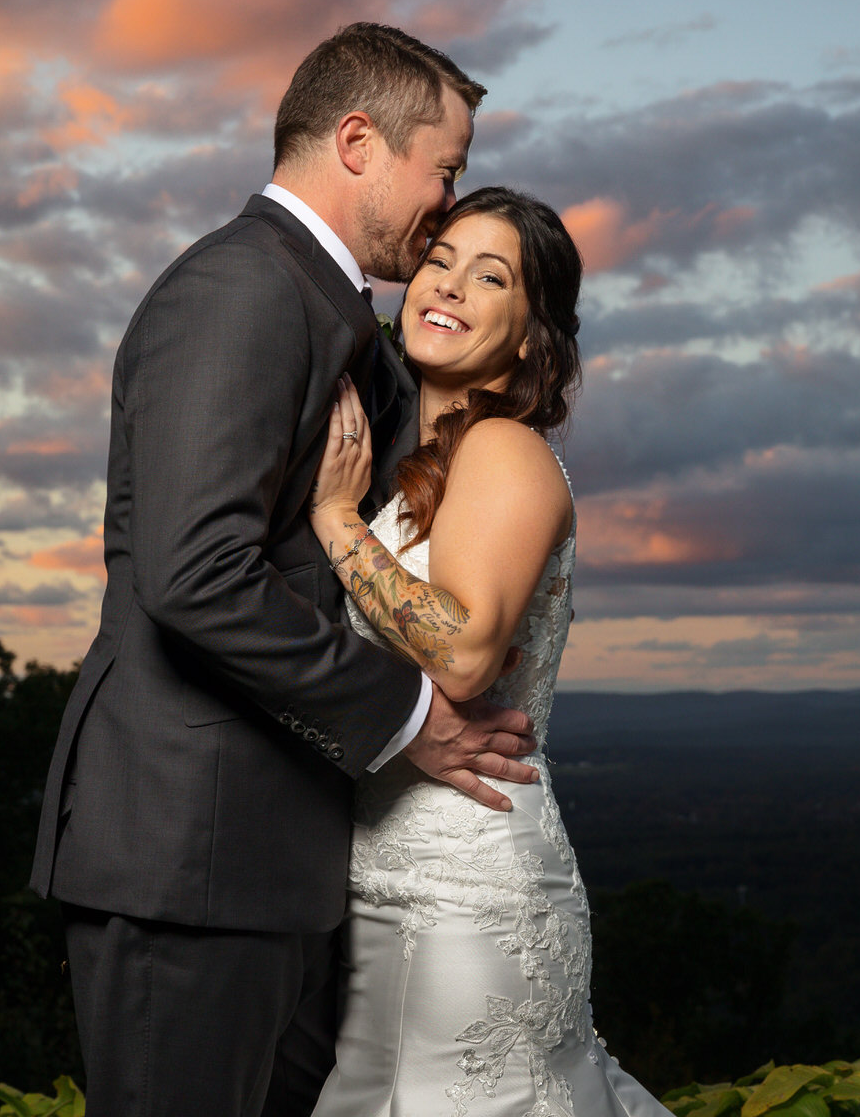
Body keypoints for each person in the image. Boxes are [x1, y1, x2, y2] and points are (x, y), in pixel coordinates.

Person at [28, 24, 542, 1117]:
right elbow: (194, 572)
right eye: (442, 169)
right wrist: (412, 717)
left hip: (269, 858)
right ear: (359, 141)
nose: (447, 201)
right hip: (189, 856)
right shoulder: (241, 292)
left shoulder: (333, 314)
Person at [305, 186, 671, 1117]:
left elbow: (465, 655)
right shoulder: (424, 461)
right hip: (393, 882)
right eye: (441, 260)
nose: (451, 285)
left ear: (530, 338)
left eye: (491, 276)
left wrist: (337, 524)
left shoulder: (505, 449)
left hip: (467, 897)